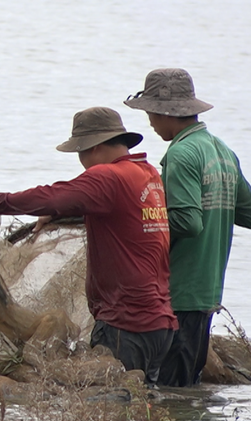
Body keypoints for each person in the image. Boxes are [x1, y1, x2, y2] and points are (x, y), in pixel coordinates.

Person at [0, 106, 178, 385]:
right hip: (160, 325)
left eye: (80, 152)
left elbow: (52, 196)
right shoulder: (147, 175)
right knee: (144, 404)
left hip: (126, 326)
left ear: (95, 148)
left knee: (115, 409)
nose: (80, 161)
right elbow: (122, 214)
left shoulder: (107, 177)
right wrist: (65, 212)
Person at [124, 68, 251, 387]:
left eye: (151, 114)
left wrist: (137, 223)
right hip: (207, 290)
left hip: (178, 292)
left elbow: (187, 221)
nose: (150, 123)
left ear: (165, 112)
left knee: (169, 391)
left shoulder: (180, 154)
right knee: (188, 387)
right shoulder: (222, 152)